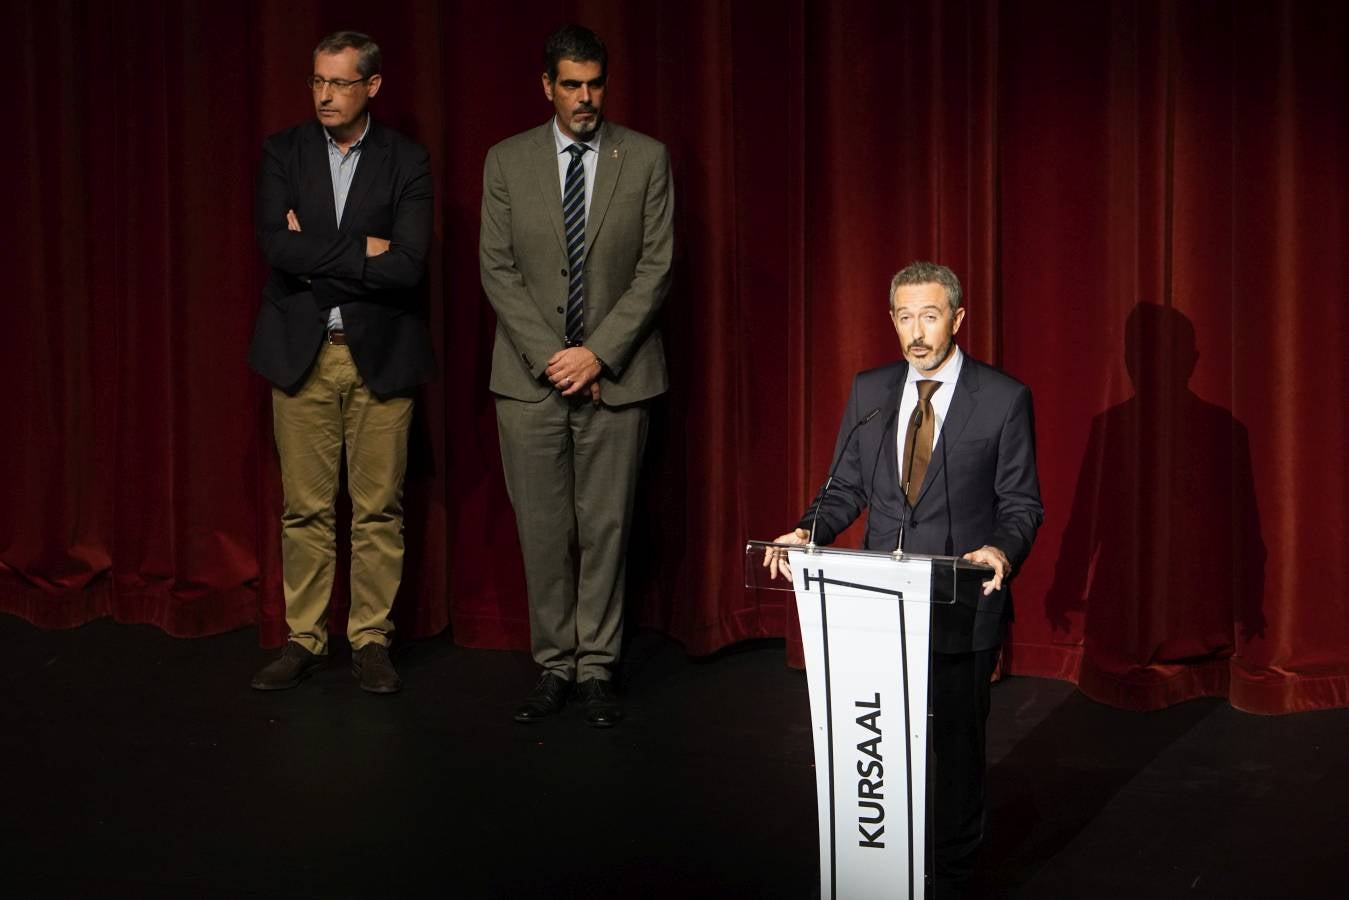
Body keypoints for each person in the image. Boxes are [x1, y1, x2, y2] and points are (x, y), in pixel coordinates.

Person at [767, 261, 1043, 897]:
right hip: (873, 606)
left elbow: (1021, 505)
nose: (916, 332)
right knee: (879, 743)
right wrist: (810, 530)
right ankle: (881, 867)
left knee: (957, 750)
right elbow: (847, 488)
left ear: (957, 319)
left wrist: (1000, 550)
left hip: (957, 602)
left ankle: (954, 873)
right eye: (903, 317)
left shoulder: (1002, 398)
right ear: (891, 321)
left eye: (930, 315)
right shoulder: (871, 392)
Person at [479, 25, 674, 727]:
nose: (584, 96)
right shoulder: (506, 161)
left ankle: (596, 669)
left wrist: (597, 353)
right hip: (529, 382)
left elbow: (655, 270)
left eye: (594, 83)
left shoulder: (645, 159)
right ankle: (553, 665)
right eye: (570, 84)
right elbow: (497, 270)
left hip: (618, 381)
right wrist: (555, 358)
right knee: (542, 530)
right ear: (547, 86)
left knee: (606, 529)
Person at [247, 31, 434, 694]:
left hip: (380, 355)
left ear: (372, 86)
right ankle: (304, 637)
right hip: (303, 356)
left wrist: (319, 249)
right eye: (317, 82)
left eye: (339, 83)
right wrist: (365, 254)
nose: (325, 96)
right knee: (305, 508)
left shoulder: (406, 160)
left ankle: (370, 640)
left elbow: (409, 265)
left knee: (379, 508)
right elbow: (276, 245)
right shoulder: (283, 151)